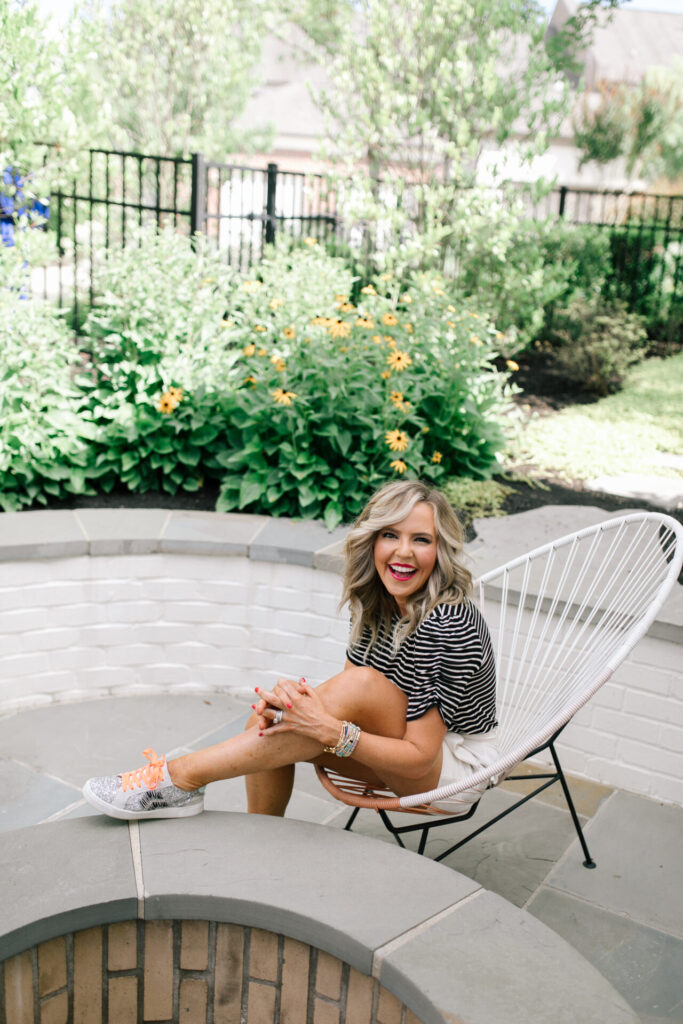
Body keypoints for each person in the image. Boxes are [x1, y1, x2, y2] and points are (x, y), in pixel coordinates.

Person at [82, 480, 498, 821]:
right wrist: (298, 710)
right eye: (390, 534)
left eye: (421, 539)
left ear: (440, 550)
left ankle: (179, 777)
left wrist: (328, 731)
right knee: (268, 720)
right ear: (372, 541)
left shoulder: (447, 623)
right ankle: (261, 837)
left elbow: (417, 757)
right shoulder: (378, 600)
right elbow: (353, 706)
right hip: (397, 749)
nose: (403, 551)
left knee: (353, 688)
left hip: (451, 773)